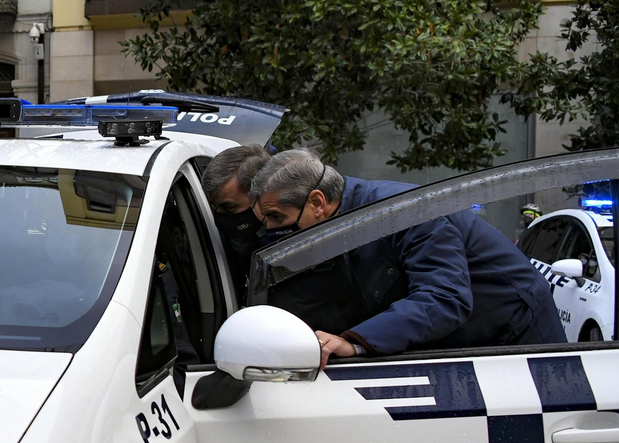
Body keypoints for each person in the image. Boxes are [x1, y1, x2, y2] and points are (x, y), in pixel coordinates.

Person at [250, 148, 564, 368]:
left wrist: (354, 342)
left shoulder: (403, 213)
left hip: (516, 336)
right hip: (461, 341)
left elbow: (445, 298)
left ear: (317, 202)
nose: (273, 229)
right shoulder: (341, 215)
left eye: (277, 217)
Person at [200, 145, 271, 287]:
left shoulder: (297, 239)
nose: (220, 216)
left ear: (262, 195)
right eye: (215, 207)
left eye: (228, 207)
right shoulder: (225, 243)